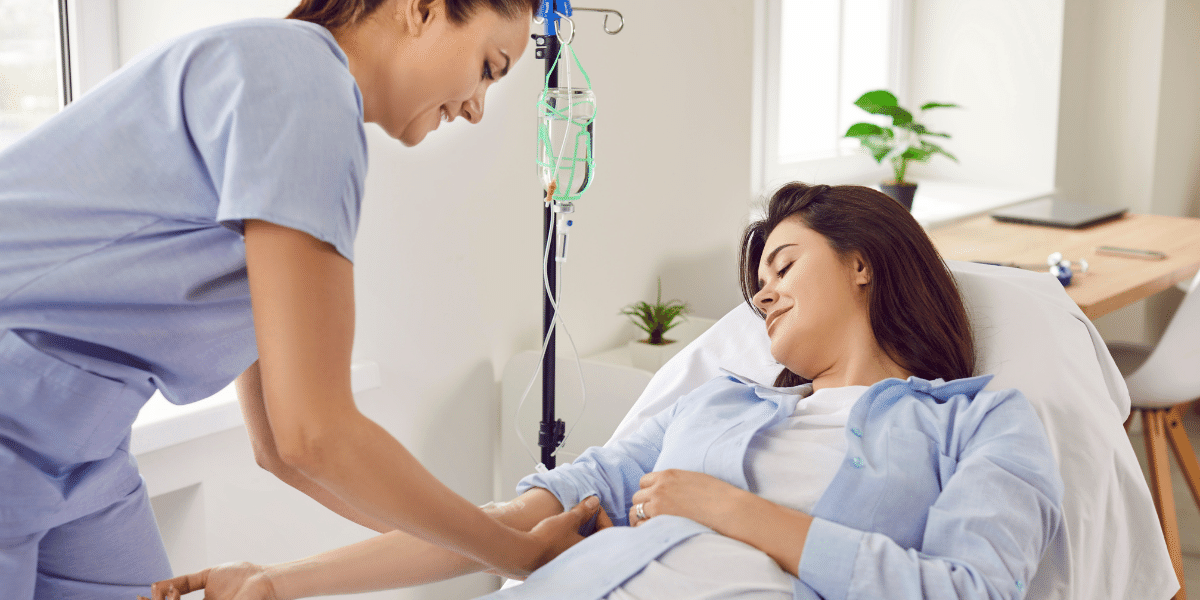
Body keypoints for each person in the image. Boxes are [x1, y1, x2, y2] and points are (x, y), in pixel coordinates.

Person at [146, 183, 1065, 600]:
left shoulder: (981, 421)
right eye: (756, 286)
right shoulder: (716, 404)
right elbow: (504, 526)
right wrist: (281, 584)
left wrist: (729, 510)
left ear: (864, 261)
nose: (765, 293)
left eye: (784, 264)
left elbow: (971, 591)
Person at [0, 1, 603, 598]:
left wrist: (493, 534)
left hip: (82, 454)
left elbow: (279, 450)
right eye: (490, 67)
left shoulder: (289, 89)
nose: (476, 106)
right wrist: (518, 553)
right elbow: (313, 433)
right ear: (422, 10)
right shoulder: (303, 89)